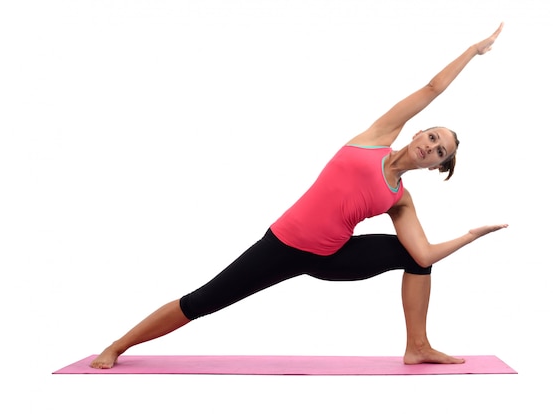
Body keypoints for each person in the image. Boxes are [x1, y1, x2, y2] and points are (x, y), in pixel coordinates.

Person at [91, 23, 506, 369]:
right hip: (282, 245)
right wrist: (472, 50)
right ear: (418, 131)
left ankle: (417, 347)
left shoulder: (400, 200)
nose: (431, 147)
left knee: (410, 256)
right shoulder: (377, 136)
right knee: (203, 301)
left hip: (331, 258)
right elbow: (432, 87)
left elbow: (425, 254)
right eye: (432, 137)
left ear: (435, 166)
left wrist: (471, 235)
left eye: (440, 152)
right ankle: (117, 345)